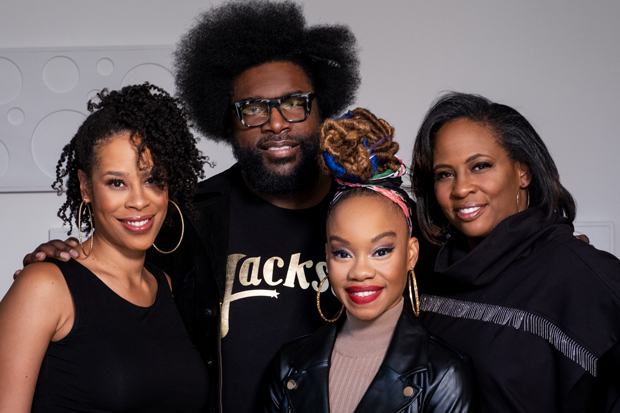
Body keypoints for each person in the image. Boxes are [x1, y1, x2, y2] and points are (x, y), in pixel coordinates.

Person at [15, 2, 384, 412]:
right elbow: (110, 293)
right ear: (227, 121)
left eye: (294, 102)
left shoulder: (372, 212)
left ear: (321, 110)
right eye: (253, 109)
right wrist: (56, 265)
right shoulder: (188, 219)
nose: (276, 123)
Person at [0, 84, 208, 412]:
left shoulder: (164, 286)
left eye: (152, 180)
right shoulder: (44, 287)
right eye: (117, 182)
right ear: (86, 187)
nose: (139, 200)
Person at [411, 92, 620, 412]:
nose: (461, 188)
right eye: (445, 174)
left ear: (523, 172)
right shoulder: (427, 274)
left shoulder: (585, 276)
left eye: (480, 166)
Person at [264, 108, 477, 413]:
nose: (360, 272)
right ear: (327, 256)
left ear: (411, 254)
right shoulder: (289, 365)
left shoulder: (443, 374)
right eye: (343, 253)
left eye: (381, 251)